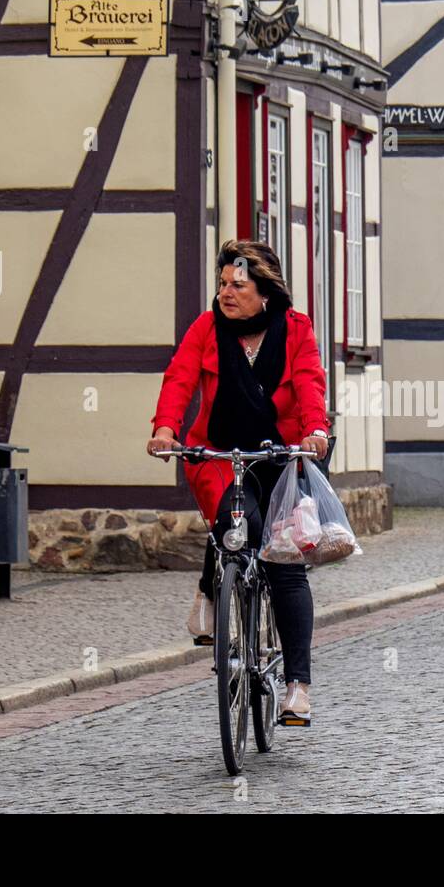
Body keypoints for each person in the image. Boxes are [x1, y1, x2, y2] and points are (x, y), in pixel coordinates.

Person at [147, 240, 330, 724]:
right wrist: (165, 428)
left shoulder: (294, 330)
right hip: (221, 455)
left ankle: (296, 688)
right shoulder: (207, 328)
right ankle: (213, 589)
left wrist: (316, 431)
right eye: (222, 284)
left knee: (284, 562)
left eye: (238, 285)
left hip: (281, 458)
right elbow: (179, 378)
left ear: (264, 292)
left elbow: (311, 382)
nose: (226, 293)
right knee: (237, 521)